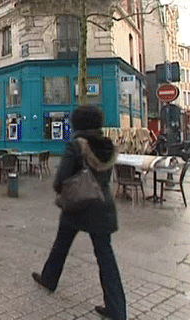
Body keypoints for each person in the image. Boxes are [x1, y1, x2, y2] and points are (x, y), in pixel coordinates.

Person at [32, 105, 126, 320]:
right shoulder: (108, 146)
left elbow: (60, 180)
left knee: (60, 246)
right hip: (103, 208)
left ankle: (49, 279)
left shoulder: (76, 146)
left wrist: (62, 190)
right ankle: (117, 309)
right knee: (106, 258)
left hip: (77, 207)